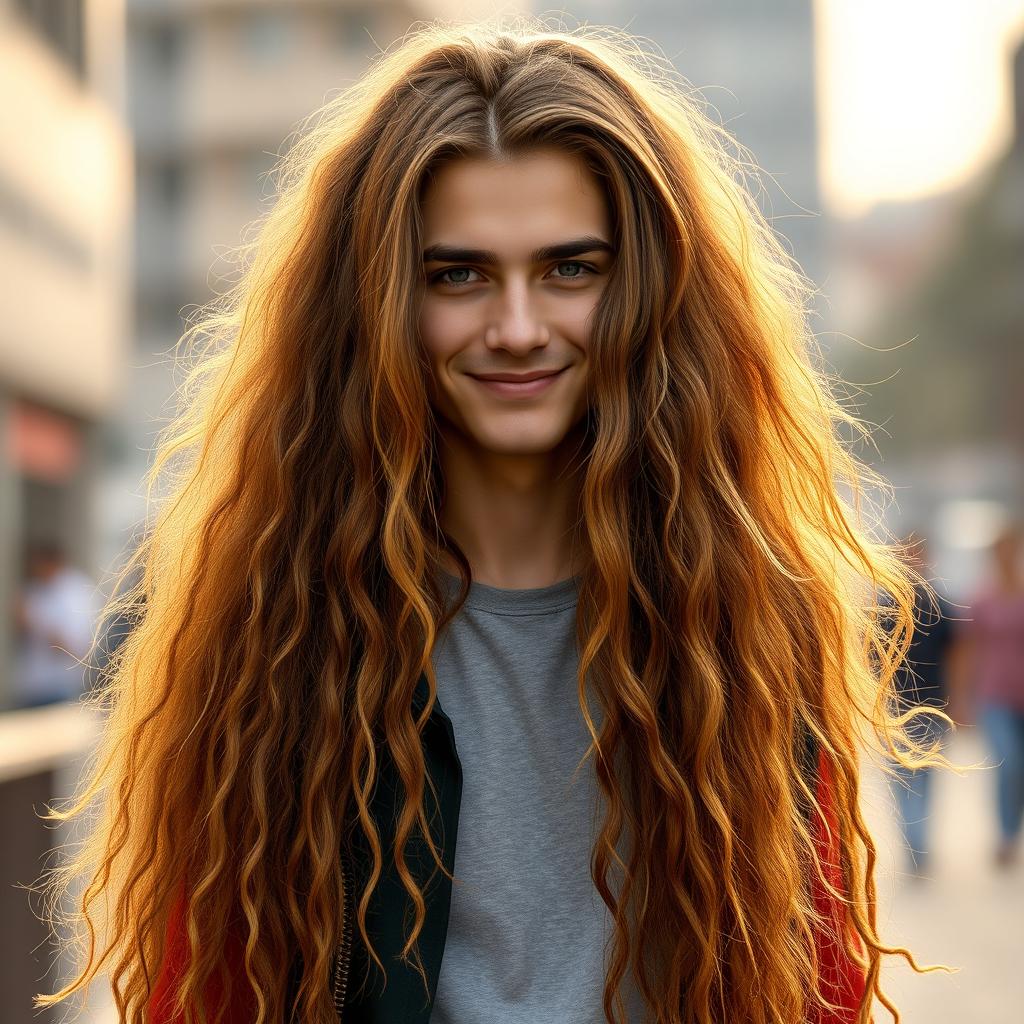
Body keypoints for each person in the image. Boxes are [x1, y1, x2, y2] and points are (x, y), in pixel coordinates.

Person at [35, 19, 935, 1024]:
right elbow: (199, 997)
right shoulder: (271, 631)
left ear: (645, 285)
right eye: (457, 274)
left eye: (570, 269)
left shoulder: (755, 618)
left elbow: (818, 991)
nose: (515, 326)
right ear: (377, 303)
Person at [948, 523, 1024, 868]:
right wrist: (960, 697)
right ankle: (1007, 835)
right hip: (993, 695)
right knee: (1009, 763)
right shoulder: (981, 598)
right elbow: (966, 650)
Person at [882, 534, 958, 876]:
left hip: (932, 705)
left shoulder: (940, 604)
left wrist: (957, 700)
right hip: (894, 709)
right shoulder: (883, 605)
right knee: (901, 780)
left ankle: (917, 842)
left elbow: (958, 655)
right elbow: (869, 661)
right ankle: (915, 842)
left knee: (924, 778)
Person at [10, 540, 99, 711]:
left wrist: (34, 622)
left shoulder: (75, 592)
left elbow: (72, 646)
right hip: (32, 686)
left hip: (60, 686)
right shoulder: (35, 589)